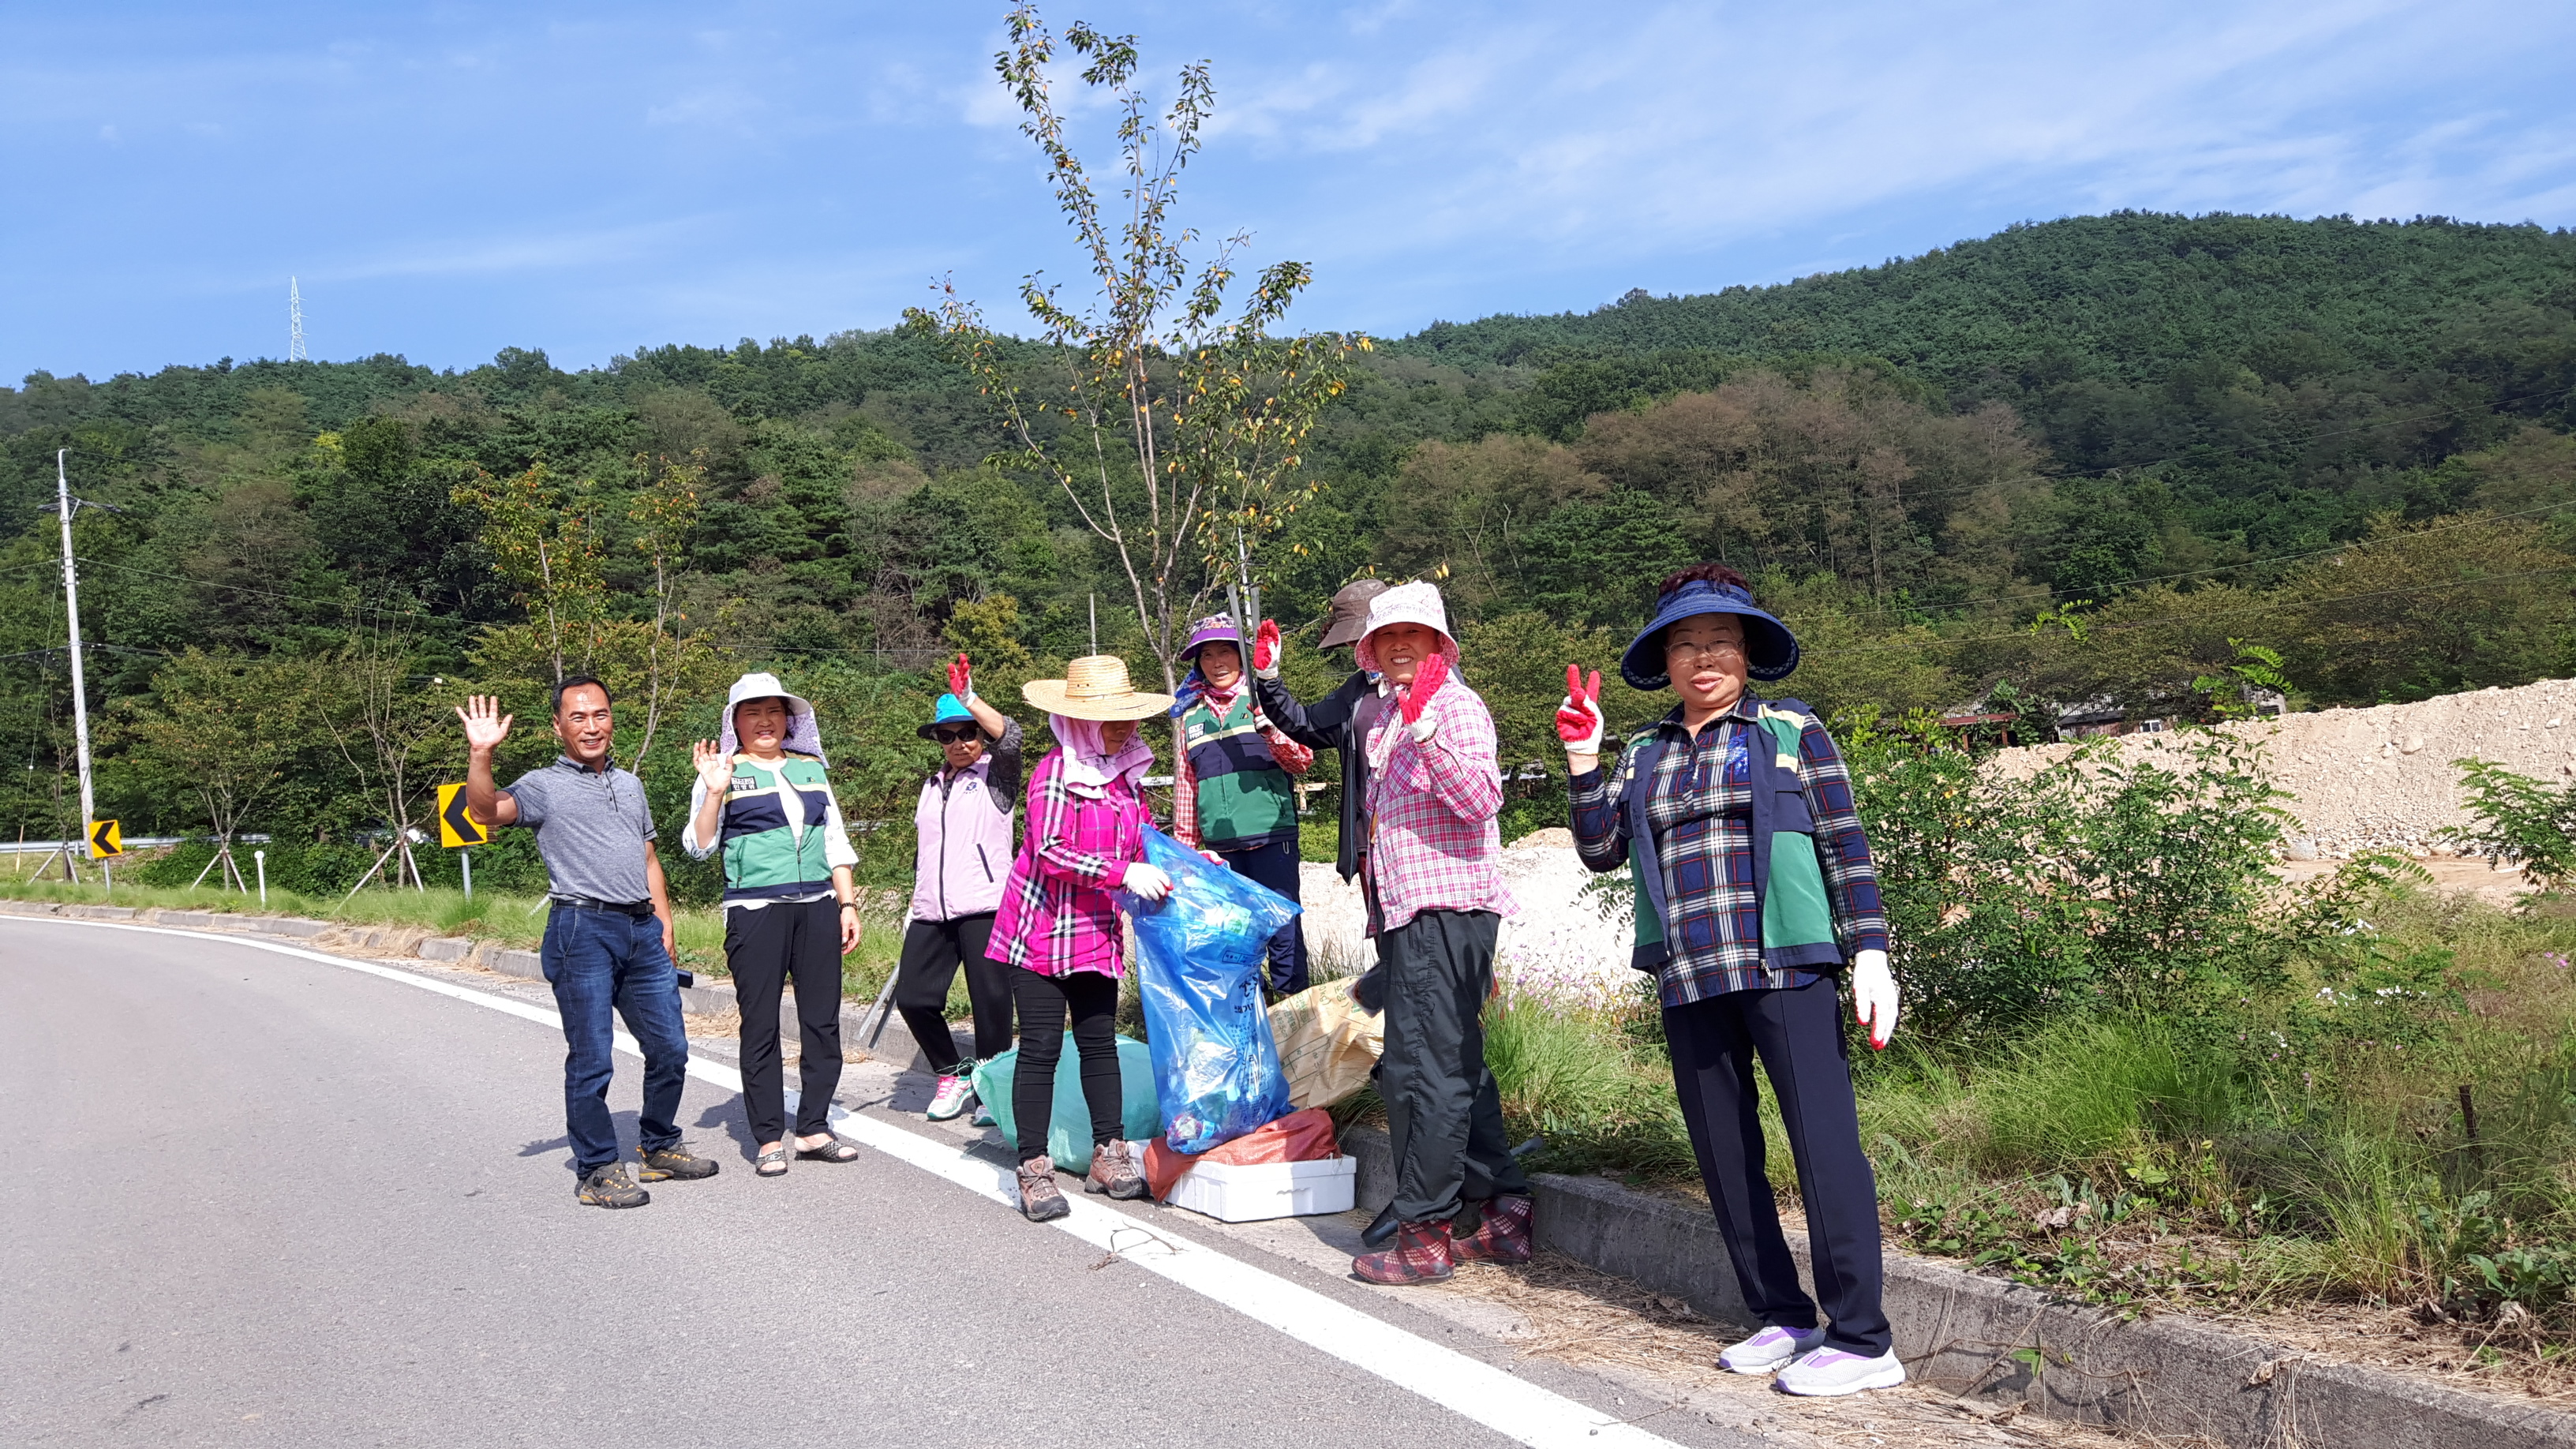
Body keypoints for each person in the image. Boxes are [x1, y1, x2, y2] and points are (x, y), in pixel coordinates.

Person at [1557, 563, 1905, 1398]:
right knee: (1723, 1153)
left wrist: (1870, 950)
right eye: (1686, 645)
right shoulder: (1643, 750)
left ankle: (1862, 1338)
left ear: (1747, 654)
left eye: (1720, 642)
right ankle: (1781, 1315)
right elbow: (1601, 851)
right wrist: (1581, 761)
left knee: (1824, 1148)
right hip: (1688, 972)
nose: (1703, 657)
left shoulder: (1789, 730)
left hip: (1786, 964)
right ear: (1665, 659)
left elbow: (1844, 844)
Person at [1339, 582, 1534, 1286]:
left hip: (1444, 909)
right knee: (1457, 1065)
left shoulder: (1451, 706)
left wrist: (1424, 729)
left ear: (1438, 645)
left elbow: (1481, 800)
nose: (1397, 646)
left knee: (1427, 1074)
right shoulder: (1392, 713)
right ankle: (1504, 1207)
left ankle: (1425, 1234)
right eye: (1386, 636)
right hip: (1411, 913)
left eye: (1412, 636)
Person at [459, 678, 717, 1209]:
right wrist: (480, 756)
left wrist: (665, 924)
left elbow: (648, 859)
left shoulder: (630, 785)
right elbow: (485, 812)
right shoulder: (541, 785)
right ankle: (598, 1168)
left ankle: (659, 1145)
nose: (592, 726)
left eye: (600, 714)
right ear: (558, 726)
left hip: (642, 930)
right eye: (578, 717)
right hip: (582, 931)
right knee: (593, 1057)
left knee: (670, 1048)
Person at [986, 654, 1174, 1222]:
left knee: (1100, 1043)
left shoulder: (1124, 780)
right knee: (1041, 1048)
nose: (1121, 727)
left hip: (1094, 929)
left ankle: (1108, 1153)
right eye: (1108, 718)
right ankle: (1034, 1167)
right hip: (1040, 932)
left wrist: (1187, 864)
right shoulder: (1055, 773)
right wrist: (1121, 874)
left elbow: (1143, 843)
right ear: (1078, 720)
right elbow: (1048, 850)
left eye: (1126, 717)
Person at [680, 672, 864, 1178]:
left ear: (789, 720)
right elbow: (698, 845)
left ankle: (812, 1127)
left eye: (774, 712)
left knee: (822, 1021)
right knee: (760, 1023)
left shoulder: (811, 769)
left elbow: (836, 844)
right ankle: (767, 1136)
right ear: (734, 721)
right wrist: (715, 792)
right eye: (752, 712)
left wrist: (847, 905)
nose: (765, 721)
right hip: (755, 912)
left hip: (818, 907)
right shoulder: (722, 771)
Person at [898, 651, 1023, 1122]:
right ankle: (952, 1072)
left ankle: (994, 1086)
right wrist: (914, 900)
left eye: (967, 733)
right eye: (947, 736)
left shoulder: (998, 776)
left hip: (986, 904)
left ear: (979, 734)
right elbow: (926, 848)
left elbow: (1013, 736)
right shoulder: (930, 785)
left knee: (991, 1002)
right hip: (932, 909)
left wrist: (970, 699)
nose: (958, 743)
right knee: (914, 998)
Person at [1170, 616, 1316, 998]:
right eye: (1207, 655)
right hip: (1219, 849)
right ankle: (1251, 1007)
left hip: (1271, 835)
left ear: (1242, 658)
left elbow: (1302, 759)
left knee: (1282, 928)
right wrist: (1186, 851)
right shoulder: (1190, 716)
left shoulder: (1262, 701)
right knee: (1232, 931)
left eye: (1225, 652)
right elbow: (1188, 785)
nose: (1217, 662)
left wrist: (1269, 729)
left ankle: (1292, 1005)